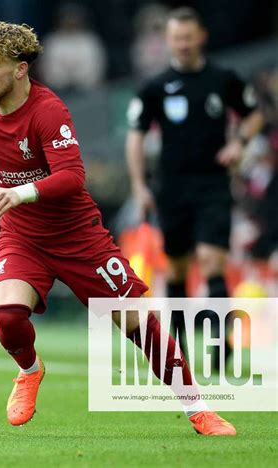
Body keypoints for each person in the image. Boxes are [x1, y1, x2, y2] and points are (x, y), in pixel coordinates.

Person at [0, 21, 236, 435]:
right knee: (8, 316)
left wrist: (18, 193)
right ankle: (30, 371)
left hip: (77, 235)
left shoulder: (48, 110)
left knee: (138, 327)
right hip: (22, 234)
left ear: (20, 69)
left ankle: (198, 409)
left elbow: (72, 176)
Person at [126, 7, 264, 369]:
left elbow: (254, 114)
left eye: (188, 37)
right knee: (175, 269)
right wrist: (140, 186)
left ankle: (222, 345)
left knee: (211, 260)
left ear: (201, 37)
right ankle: (180, 345)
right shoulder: (154, 87)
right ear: (168, 41)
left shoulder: (223, 79)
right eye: (176, 38)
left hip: (212, 183)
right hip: (171, 187)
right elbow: (135, 136)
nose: (183, 44)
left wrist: (239, 142)